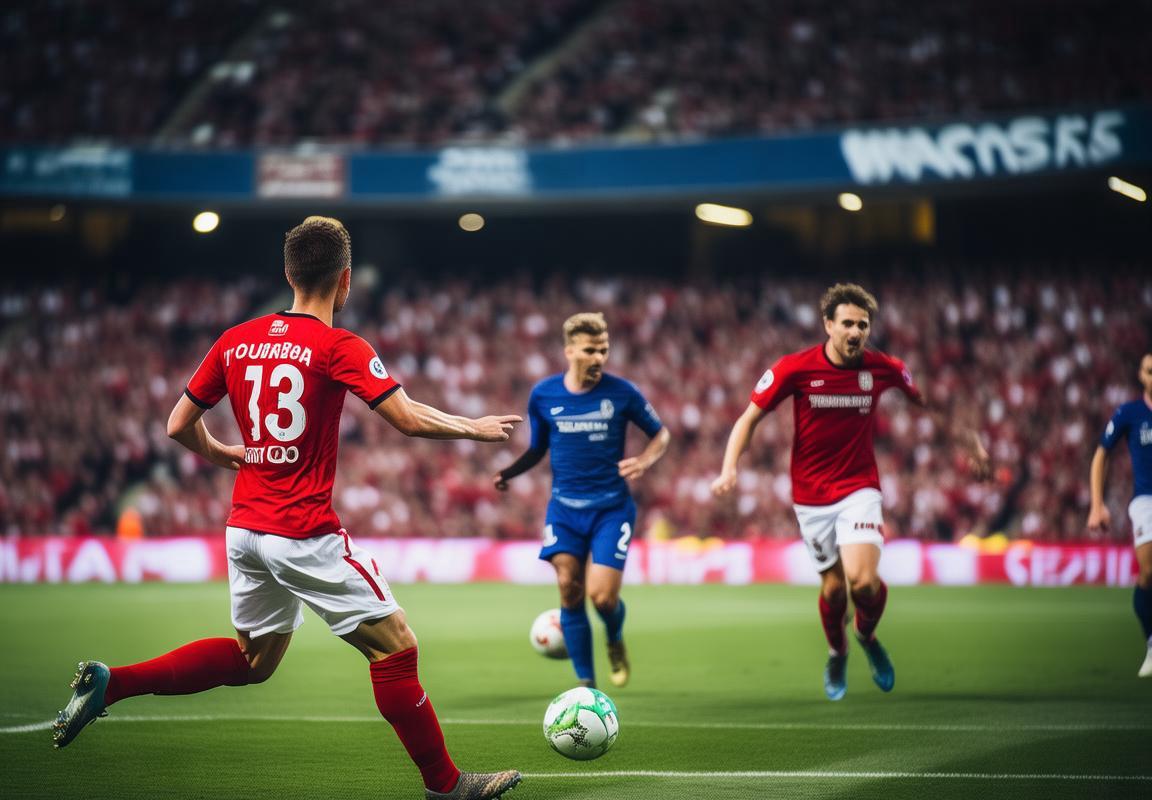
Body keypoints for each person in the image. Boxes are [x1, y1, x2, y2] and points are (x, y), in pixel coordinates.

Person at [52, 216, 523, 800]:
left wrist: (224, 454)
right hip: (302, 531)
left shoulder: (236, 338)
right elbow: (405, 417)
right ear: (345, 280)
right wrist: (474, 427)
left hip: (245, 531)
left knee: (253, 661)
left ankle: (114, 683)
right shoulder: (338, 345)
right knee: (396, 645)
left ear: (288, 273)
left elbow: (177, 424)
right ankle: (448, 786)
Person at [710, 283, 989, 701]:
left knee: (863, 583)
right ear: (828, 325)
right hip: (810, 497)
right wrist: (729, 466)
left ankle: (865, 636)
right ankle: (837, 651)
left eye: (863, 325)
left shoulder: (884, 368)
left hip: (859, 488)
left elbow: (930, 405)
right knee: (834, 590)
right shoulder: (793, 368)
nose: (856, 332)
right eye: (847, 324)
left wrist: (971, 443)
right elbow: (748, 419)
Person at [493, 312, 670, 689]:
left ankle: (614, 638)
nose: (599, 357)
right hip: (564, 510)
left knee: (602, 598)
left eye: (603, 350)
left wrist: (644, 460)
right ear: (570, 351)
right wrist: (509, 472)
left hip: (611, 509)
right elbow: (538, 448)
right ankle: (585, 686)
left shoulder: (622, 393)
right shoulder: (544, 395)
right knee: (568, 588)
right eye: (590, 350)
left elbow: (661, 434)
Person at [1087, 352, 1152, 677]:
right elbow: (1102, 455)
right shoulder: (1130, 413)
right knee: (1149, 572)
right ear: (1141, 375)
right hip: (1146, 501)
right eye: (1150, 371)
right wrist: (1097, 504)